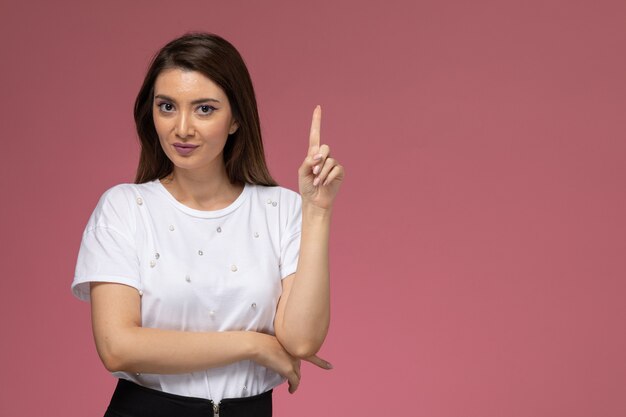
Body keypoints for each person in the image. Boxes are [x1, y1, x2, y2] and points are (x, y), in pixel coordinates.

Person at [71, 32, 344, 417]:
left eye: (204, 109)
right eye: (167, 106)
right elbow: (117, 346)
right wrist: (252, 344)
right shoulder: (124, 208)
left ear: (235, 119)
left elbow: (300, 341)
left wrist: (316, 213)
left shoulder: (282, 209)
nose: (182, 128)